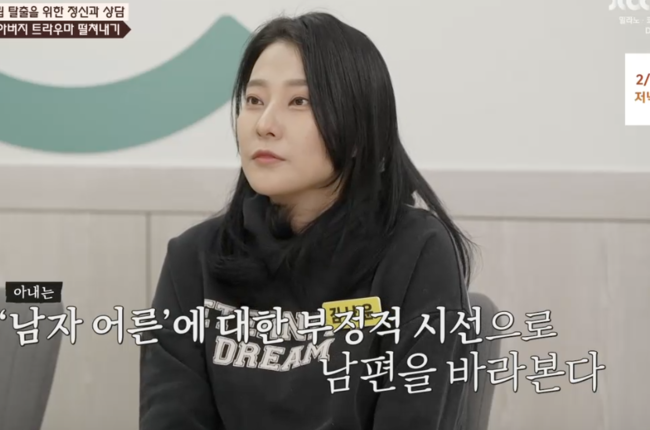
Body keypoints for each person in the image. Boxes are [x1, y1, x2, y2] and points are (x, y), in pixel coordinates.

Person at [139, 11, 478, 430]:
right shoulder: (194, 258)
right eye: (254, 100)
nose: (265, 125)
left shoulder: (415, 252)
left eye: (299, 102)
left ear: (357, 131)